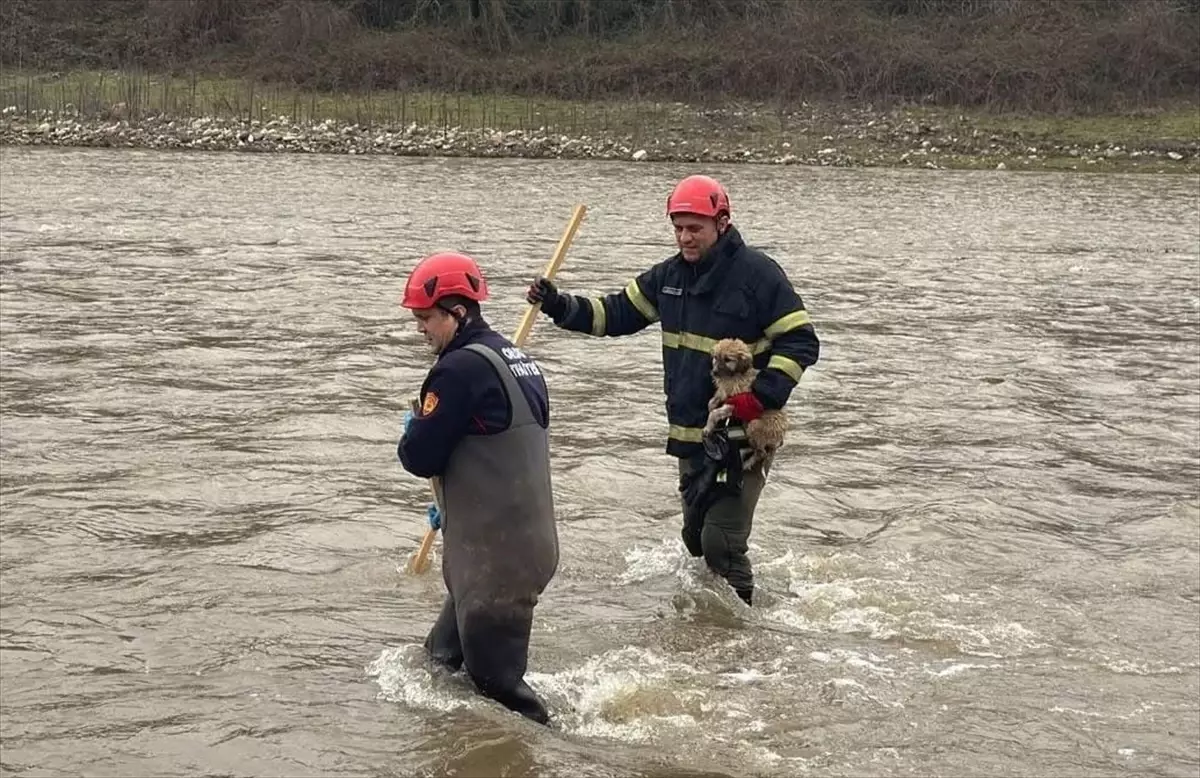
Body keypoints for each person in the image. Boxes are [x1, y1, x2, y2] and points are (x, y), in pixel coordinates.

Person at [526, 174, 818, 606]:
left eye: (694, 227)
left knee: (721, 543)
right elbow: (613, 314)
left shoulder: (759, 275)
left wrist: (759, 399)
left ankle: (747, 636)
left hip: (743, 436)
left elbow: (802, 341)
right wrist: (558, 305)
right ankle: (711, 623)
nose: (685, 237)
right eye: (678, 227)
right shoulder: (668, 277)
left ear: (722, 222)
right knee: (696, 540)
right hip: (689, 435)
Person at [396, 250, 559, 725]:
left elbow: (419, 457)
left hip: (497, 565)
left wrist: (414, 431)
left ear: (458, 312)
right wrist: (454, 503)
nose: (420, 329)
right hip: (519, 548)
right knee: (440, 666)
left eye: (426, 318)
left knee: (503, 696)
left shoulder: (457, 370)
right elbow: (499, 450)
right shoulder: (519, 359)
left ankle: (568, 754)